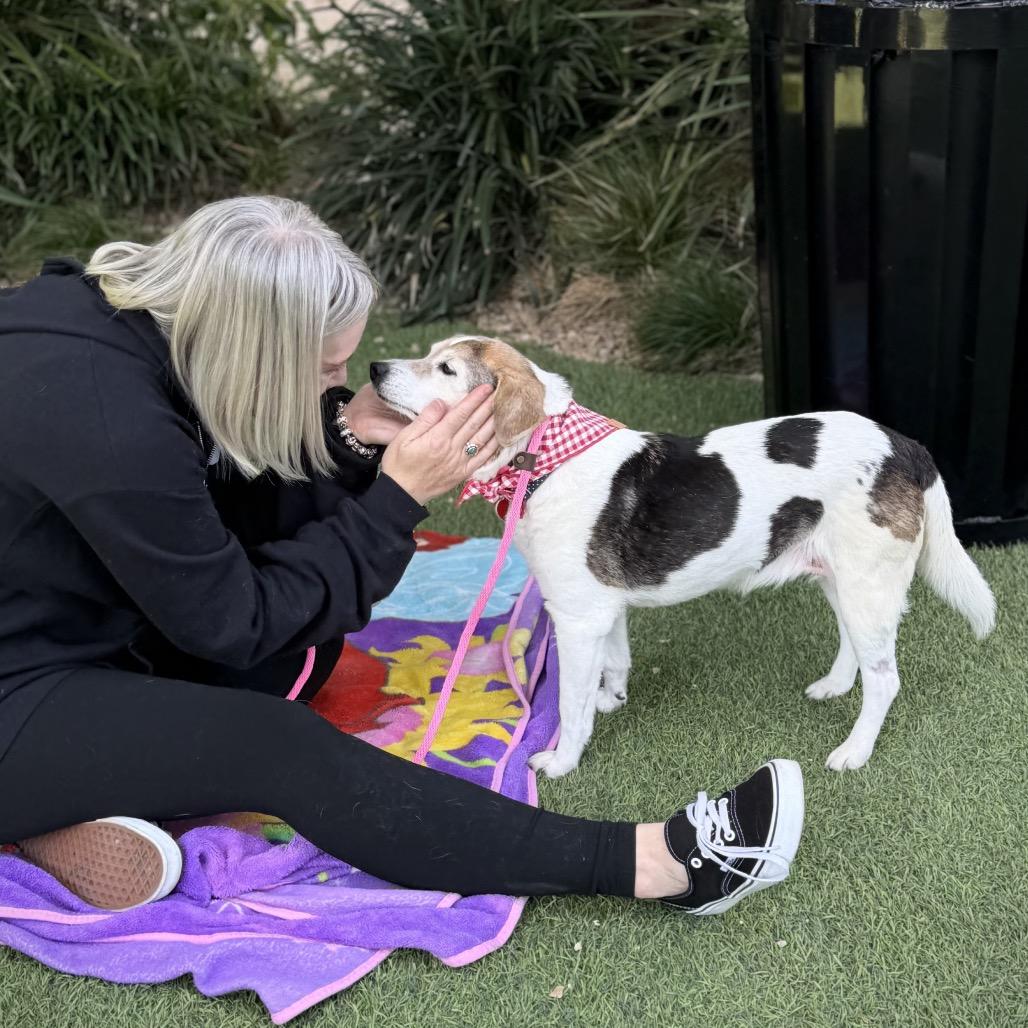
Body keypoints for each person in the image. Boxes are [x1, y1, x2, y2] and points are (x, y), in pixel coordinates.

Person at [0, 196, 804, 918]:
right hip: (23, 677)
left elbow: (215, 520)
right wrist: (394, 501)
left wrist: (345, 437)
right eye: (323, 371)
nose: (343, 380)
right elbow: (231, 620)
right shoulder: (115, 431)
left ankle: (53, 808)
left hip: (73, 616)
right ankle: (659, 865)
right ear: (250, 353)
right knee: (271, 738)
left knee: (301, 655)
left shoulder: (109, 318)